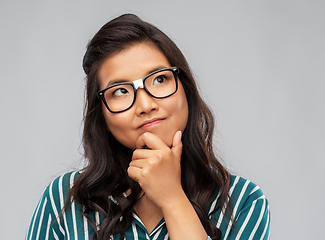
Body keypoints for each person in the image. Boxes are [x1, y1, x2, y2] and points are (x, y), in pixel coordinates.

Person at [26, 14, 270, 240]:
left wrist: (173, 200)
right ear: (102, 116)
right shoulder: (65, 200)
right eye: (120, 91)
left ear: (185, 89)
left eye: (159, 79)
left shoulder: (242, 202)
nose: (145, 104)